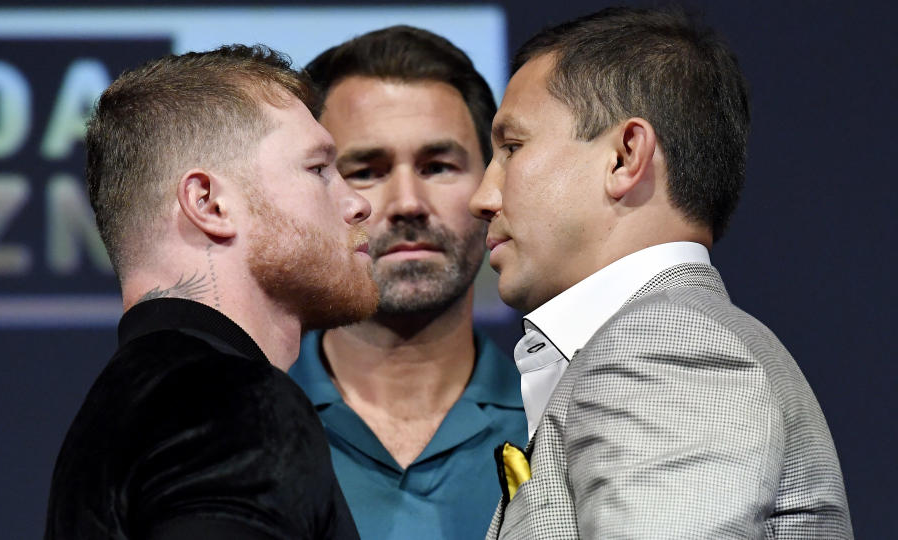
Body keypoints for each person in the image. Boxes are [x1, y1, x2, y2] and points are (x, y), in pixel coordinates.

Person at [468, 7, 853, 539]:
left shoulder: (667, 347)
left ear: (626, 156)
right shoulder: (659, 341)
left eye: (512, 148)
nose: (482, 197)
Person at [45, 44, 379, 539]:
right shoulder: (233, 402)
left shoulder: (117, 415)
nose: (358, 203)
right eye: (318, 169)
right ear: (209, 204)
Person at [288, 26, 527, 540]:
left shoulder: (563, 426)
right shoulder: (236, 429)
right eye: (366, 170)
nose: (407, 204)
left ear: (492, 186)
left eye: (438, 166)